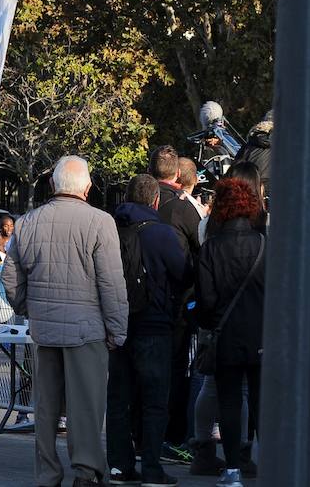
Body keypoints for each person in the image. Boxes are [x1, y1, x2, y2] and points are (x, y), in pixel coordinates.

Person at [2, 155, 127, 487]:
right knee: (85, 407)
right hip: (87, 331)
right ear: (87, 187)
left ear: (54, 184)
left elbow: (9, 277)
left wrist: (29, 307)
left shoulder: (27, 222)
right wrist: (117, 329)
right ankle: (85, 472)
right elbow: (111, 284)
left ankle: (47, 473)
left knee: (45, 407)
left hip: (44, 330)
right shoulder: (101, 222)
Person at [108, 174, 192, 486]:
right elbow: (183, 274)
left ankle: (118, 466)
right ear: (155, 200)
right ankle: (152, 467)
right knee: (155, 400)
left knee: (119, 398)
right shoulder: (162, 234)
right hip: (155, 324)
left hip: (118, 323)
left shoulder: (112, 229)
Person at [195, 178, 266, 487]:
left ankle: (233, 469)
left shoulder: (211, 248)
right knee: (261, 401)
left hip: (225, 334)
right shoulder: (265, 243)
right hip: (262, 334)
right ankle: (269, 462)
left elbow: (206, 299)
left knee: (229, 401)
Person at [148, 145, 200, 461]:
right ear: (177, 174)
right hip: (176, 304)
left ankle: (144, 437)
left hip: (141, 303)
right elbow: (200, 248)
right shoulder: (182, 208)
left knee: (144, 372)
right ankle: (171, 437)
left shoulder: (136, 202)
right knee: (175, 371)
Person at [234, 110, 272, 198]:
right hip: (270, 194)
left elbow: (235, 169)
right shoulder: (283, 145)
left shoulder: (249, 144)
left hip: (247, 191)